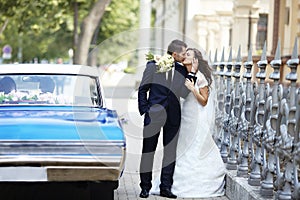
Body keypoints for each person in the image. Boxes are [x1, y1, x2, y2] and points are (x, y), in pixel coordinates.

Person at [138, 39, 194, 199]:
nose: (185, 56)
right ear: (174, 54)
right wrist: (145, 110)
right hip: (153, 115)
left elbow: (184, 93)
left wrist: (191, 74)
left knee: (170, 153)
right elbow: (143, 89)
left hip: (173, 116)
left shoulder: (182, 70)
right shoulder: (153, 66)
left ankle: (166, 187)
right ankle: (145, 187)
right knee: (148, 151)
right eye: (183, 53)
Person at [170, 48, 225, 198]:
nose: (184, 56)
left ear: (195, 60)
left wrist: (193, 89)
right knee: (184, 146)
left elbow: (204, 101)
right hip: (186, 116)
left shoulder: (200, 77)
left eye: (188, 55)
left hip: (196, 117)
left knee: (196, 145)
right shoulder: (185, 73)